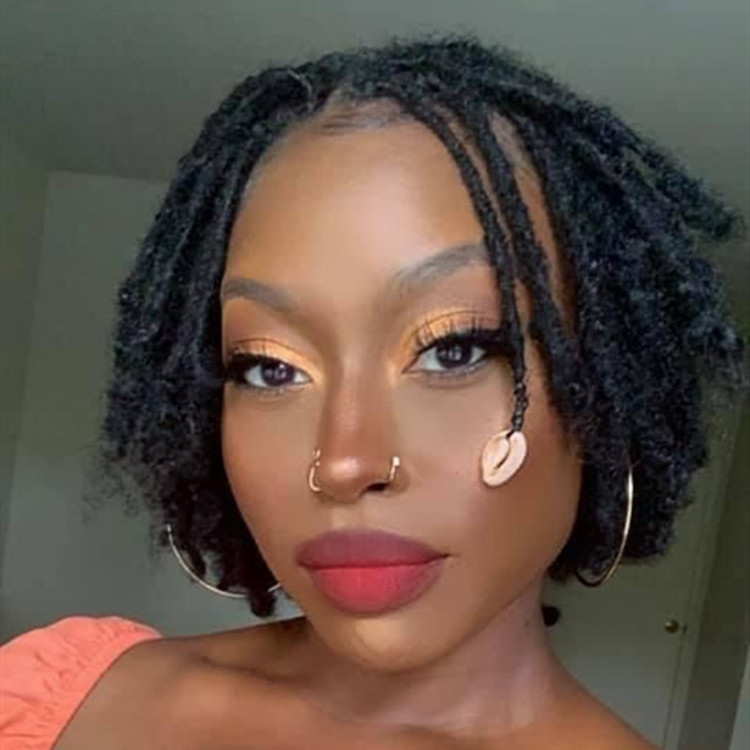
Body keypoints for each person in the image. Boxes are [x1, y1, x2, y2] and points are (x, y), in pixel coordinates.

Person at [0, 34, 744, 750]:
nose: (344, 463)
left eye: (455, 349)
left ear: (607, 391)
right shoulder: (60, 701)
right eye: (268, 368)